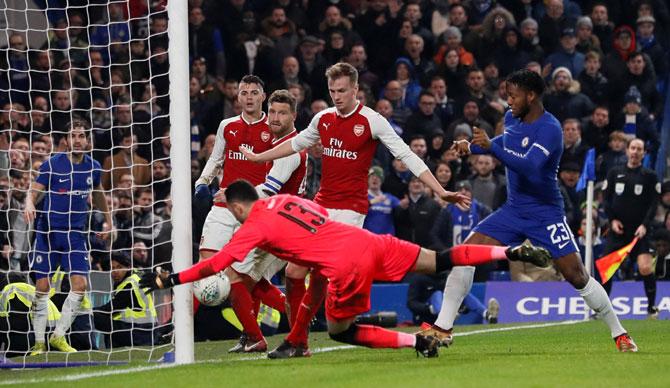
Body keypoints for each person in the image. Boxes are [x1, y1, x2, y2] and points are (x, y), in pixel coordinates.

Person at [141, 180, 549, 358]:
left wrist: (169, 279)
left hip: (346, 263)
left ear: (235, 207)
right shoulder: (284, 201)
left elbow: (217, 264)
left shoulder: (253, 225)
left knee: (341, 331)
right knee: (441, 259)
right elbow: (314, 219)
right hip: (368, 240)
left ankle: (415, 343)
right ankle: (509, 252)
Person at [240, 62, 470, 358]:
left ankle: (298, 341)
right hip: (321, 206)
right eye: (332, 90)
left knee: (320, 272)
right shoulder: (322, 119)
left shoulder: (372, 121)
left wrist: (439, 190)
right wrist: (260, 158)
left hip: (351, 211)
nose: (337, 96)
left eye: (342, 91)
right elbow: (294, 144)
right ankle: (299, 337)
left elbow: (406, 155)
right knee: (295, 271)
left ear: (356, 90)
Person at [425, 69, 637, 352]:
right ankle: (443, 327)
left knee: (577, 275)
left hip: (545, 213)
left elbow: (529, 164)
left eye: (513, 96)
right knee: (465, 255)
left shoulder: (550, 129)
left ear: (531, 95)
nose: (508, 101)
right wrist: (473, 148)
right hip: (513, 210)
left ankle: (620, 333)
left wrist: (490, 147)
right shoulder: (513, 119)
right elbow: (506, 144)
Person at [192, 77, 292, 354]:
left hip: (255, 212)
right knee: (204, 267)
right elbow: (216, 159)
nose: (248, 97)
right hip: (223, 207)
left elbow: (276, 179)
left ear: (264, 96)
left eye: (254, 93)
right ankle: (183, 333)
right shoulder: (228, 126)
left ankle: (285, 318)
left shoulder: (274, 130)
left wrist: (240, 195)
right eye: (243, 93)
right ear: (237, 97)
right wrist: (202, 181)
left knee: (247, 277)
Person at [223, 89, 308, 353]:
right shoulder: (277, 145)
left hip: (284, 226)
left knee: (238, 278)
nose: (274, 117)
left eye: (282, 113)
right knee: (248, 279)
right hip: (275, 223)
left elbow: (269, 190)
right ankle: (257, 335)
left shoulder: (290, 150)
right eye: (271, 111)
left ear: (293, 116)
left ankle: (285, 333)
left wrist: (232, 195)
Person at [24, 119, 112, 353]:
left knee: (80, 285)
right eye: (73, 135)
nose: (78, 140)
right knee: (42, 287)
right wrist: (29, 204)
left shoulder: (93, 167)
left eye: (82, 136)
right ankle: (39, 342)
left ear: (87, 140)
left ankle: (58, 336)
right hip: (48, 234)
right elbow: (33, 191)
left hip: (75, 235)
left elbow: (99, 192)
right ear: (66, 140)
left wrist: (109, 220)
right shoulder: (52, 164)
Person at [601, 138, 659, 317]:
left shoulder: (650, 176)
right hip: (618, 230)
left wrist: (644, 225)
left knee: (645, 268)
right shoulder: (614, 172)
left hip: (639, 232)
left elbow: (653, 204)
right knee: (607, 269)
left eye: (639, 149)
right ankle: (602, 309)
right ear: (627, 151)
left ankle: (651, 308)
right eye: (632, 148)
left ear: (644, 153)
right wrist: (612, 220)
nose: (635, 152)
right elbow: (606, 199)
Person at [93, 252, 156, 348]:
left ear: (128, 267)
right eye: (112, 268)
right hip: (147, 329)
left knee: (96, 317)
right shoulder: (136, 276)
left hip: (140, 332)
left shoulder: (130, 285)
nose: (115, 271)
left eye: (119, 267)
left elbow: (110, 309)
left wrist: (88, 312)